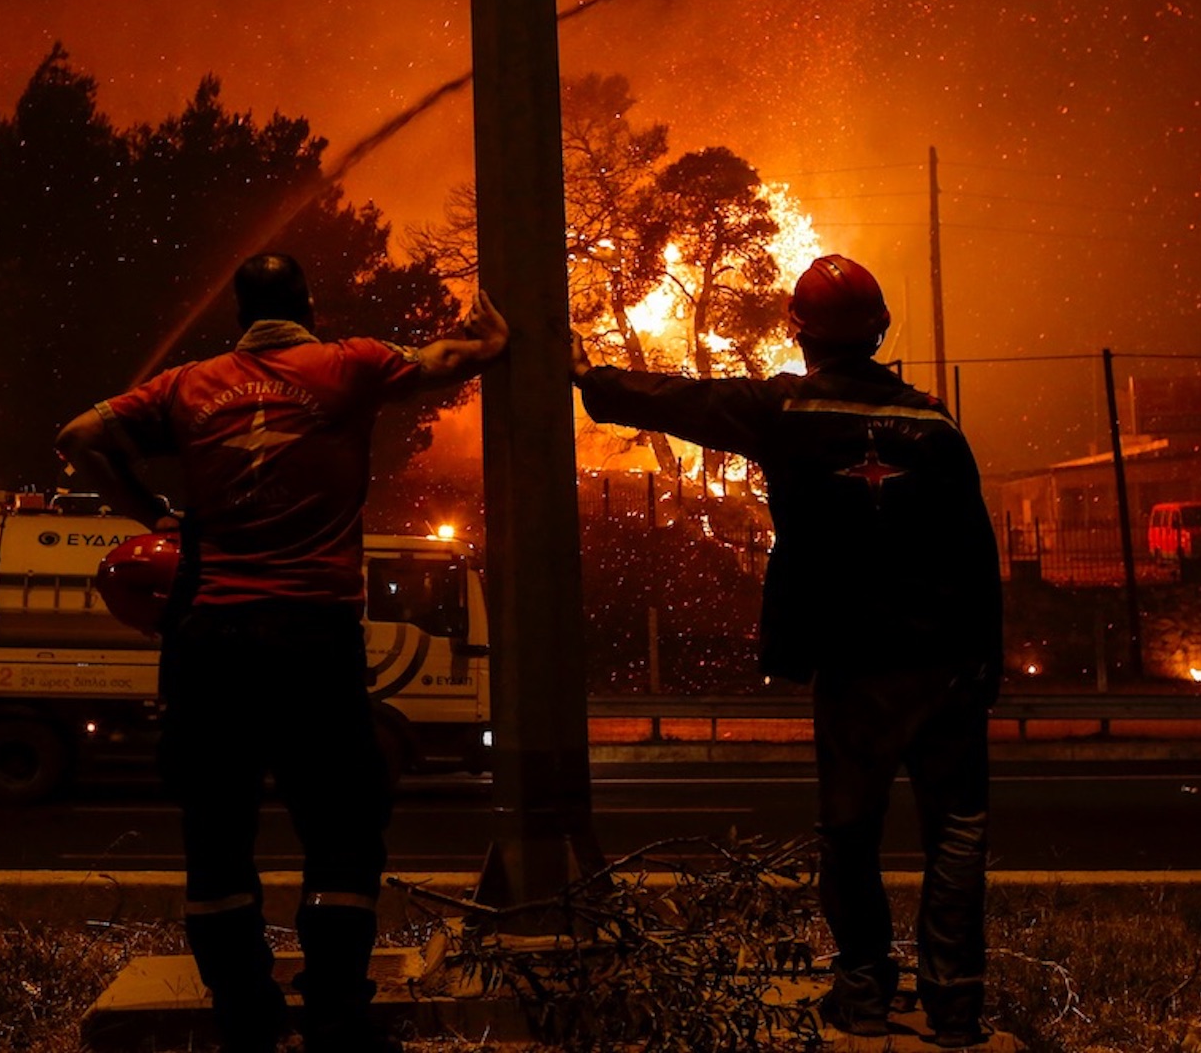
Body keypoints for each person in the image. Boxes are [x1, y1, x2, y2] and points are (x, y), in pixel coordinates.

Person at [56, 253, 509, 1053]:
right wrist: (488, 338)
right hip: (312, 636)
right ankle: (335, 1019)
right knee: (342, 831)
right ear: (309, 306)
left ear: (239, 314)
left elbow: (78, 437)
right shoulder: (348, 366)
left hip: (212, 642)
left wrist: (151, 512)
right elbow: (447, 360)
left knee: (215, 835)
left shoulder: (186, 386)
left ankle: (247, 1022)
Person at [572, 255, 1001, 1048]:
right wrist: (986, 664)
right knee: (957, 832)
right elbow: (976, 551)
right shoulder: (937, 425)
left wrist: (592, 379)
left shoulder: (785, 410)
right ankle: (956, 1008)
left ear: (799, 332)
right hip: (945, 659)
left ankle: (863, 994)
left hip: (853, 660)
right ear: (879, 331)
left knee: (851, 831)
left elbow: (683, 400)